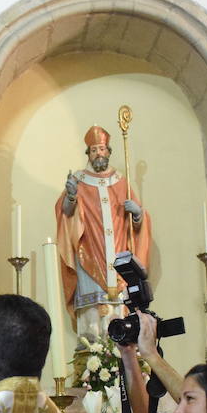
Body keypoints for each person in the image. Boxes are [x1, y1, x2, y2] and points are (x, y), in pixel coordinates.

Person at [54, 125, 153, 338]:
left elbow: (138, 226)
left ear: (108, 151)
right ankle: (92, 354)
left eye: (102, 149)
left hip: (118, 259)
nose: (98, 153)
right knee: (93, 319)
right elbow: (65, 215)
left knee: (121, 312)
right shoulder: (79, 180)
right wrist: (71, 196)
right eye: (94, 150)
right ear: (88, 154)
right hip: (88, 257)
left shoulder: (122, 182)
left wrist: (137, 214)